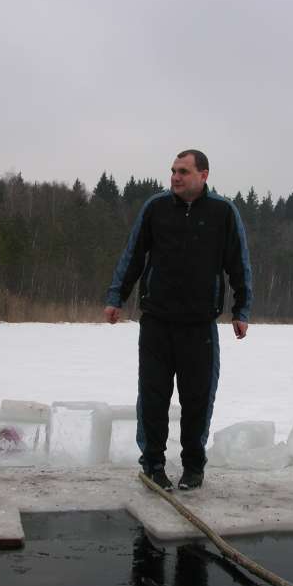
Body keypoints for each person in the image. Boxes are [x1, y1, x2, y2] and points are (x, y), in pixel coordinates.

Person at [105, 149, 252, 492]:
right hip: (156, 321)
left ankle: (193, 467)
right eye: (173, 171)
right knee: (153, 397)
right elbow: (134, 254)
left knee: (197, 399)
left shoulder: (223, 212)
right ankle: (153, 464)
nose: (175, 177)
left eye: (183, 171)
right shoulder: (156, 208)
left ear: (203, 175)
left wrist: (241, 310)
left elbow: (238, 263)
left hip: (199, 325)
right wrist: (116, 297)